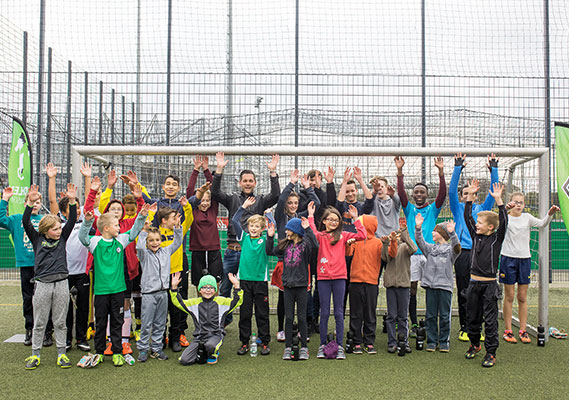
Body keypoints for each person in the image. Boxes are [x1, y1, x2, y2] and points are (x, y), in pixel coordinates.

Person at [211, 151, 280, 326]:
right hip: (232, 252)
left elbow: (276, 195)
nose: (248, 183)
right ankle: (222, 321)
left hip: (251, 254)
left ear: (255, 183)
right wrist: (219, 169)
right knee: (225, 287)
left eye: (251, 181)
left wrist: (273, 172)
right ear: (240, 183)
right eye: (245, 181)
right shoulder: (232, 198)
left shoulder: (261, 200)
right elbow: (216, 193)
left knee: (251, 292)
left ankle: (256, 326)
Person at [78, 200, 150, 367]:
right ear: (106, 228)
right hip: (101, 291)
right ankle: (100, 351)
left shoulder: (122, 240)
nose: (119, 228)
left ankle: (117, 351)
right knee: (101, 321)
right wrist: (87, 222)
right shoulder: (95, 242)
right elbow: (82, 237)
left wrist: (142, 216)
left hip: (118, 290)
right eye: (116, 225)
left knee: (117, 321)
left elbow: (134, 232)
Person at [22, 183, 77, 370]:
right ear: (45, 230)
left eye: (59, 228)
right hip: (43, 285)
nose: (59, 231)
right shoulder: (37, 239)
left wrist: (71, 201)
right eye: (55, 229)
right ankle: (35, 355)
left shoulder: (63, 238)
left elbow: (72, 220)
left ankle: (61, 354)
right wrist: (30, 203)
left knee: (61, 322)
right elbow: (25, 222)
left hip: (61, 284)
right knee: (40, 322)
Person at [449, 152, 499, 341]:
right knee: (465, 291)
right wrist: (457, 167)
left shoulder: (483, 209)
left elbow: (494, 193)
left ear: (477, 195)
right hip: (462, 254)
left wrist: (493, 169)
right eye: (465, 193)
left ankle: (484, 326)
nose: (468, 195)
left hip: (480, 254)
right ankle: (465, 327)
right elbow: (452, 191)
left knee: (484, 291)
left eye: (471, 193)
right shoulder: (457, 207)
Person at [395, 155, 446, 337]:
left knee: (433, 287)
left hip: (430, 253)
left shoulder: (433, 209)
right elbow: (401, 194)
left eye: (421, 192)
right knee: (412, 288)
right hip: (413, 253)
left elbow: (442, 195)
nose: (418, 194)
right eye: (416, 192)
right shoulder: (409, 209)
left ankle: (433, 321)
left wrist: (440, 172)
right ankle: (414, 322)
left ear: (426, 194)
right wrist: (400, 171)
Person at [307, 202, 365, 360]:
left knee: (339, 313)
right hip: (323, 278)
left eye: (336, 220)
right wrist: (311, 216)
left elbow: (362, 235)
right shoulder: (320, 236)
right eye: (330, 219)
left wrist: (356, 219)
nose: (333, 222)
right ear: (324, 221)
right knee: (324, 312)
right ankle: (322, 345)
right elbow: (311, 231)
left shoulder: (344, 235)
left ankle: (339, 346)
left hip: (340, 278)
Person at [500, 191, 559, 344]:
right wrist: (504, 209)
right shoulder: (505, 217)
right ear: (510, 203)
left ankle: (523, 330)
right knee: (509, 296)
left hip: (524, 260)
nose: (518, 205)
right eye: (516, 202)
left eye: (521, 202)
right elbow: (497, 220)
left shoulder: (527, 218)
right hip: (508, 259)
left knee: (522, 297)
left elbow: (542, 223)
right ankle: (508, 330)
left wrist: (550, 214)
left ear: (524, 205)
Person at [47, 162, 92, 352]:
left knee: (83, 308)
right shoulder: (60, 223)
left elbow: (91, 200)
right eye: (74, 207)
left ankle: (81, 338)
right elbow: (52, 203)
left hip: (82, 272)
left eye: (79, 206)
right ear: (65, 211)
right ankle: (66, 339)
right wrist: (51, 179)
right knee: (64, 309)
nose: (79, 209)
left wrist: (88, 178)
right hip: (64, 273)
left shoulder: (84, 222)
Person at [272, 169, 320, 342]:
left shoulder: (301, 218)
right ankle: (281, 329)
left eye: (295, 202)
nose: (292, 205)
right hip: (283, 262)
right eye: (290, 202)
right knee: (283, 298)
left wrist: (308, 188)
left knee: (303, 297)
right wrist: (291, 183)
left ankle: (301, 328)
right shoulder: (280, 217)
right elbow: (280, 200)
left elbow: (317, 203)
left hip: (300, 263)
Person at [463, 180, 507, 368]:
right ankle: (475, 344)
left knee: (490, 321)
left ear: (490, 227)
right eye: (478, 223)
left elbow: (504, 222)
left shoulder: (497, 239)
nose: (477, 224)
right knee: (471, 318)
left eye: (481, 223)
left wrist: (499, 201)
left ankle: (491, 352)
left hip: (489, 286)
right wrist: (470, 197)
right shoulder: (475, 236)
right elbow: (467, 217)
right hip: (473, 285)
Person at [0, 185, 48, 347]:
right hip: (26, 265)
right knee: (28, 298)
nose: (35, 204)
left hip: (42, 266)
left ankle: (47, 330)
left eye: (38, 202)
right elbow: (0, 219)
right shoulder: (16, 219)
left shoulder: (44, 220)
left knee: (44, 298)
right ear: (26, 202)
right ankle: (30, 328)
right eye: (32, 201)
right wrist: (5, 200)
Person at [267, 215, 317, 360]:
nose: (286, 232)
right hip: (287, 287)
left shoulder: (305, 245)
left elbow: (315, 245)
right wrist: (270, 238)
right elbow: (269, 251)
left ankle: (304, 348)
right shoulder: (284, 245)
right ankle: (288, 347)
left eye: (288, 230)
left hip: (301, 286)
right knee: (289, 318)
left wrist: (307, 229)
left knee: (301, 318)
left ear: (295, 231)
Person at [148, 197, 194, 352]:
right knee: (160, 309)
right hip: (160, 277)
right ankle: (160, 338)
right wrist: (150, 214)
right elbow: (146, 230)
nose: (176, 220)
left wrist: (186, 207)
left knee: (176, 308)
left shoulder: (179, 231)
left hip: (176, 275)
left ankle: (175, 338)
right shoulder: (156, 234)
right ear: (163, 221)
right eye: (173, 218)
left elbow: (190, 219)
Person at [348, 214, 397, 355]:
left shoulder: (378, 243)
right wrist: (349, 245)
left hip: (371, 283)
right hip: (355, 282)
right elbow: (348, 253)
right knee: (355, 313)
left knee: (370, 313)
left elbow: (392, 254)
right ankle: (356, 341)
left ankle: (369, 342)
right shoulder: (356, 240)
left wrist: (392, 242)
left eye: (362, 223)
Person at [136, 219, 183, 362]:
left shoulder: (166, 251)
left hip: (163, 293)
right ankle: (143, 348)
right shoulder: (144, 255)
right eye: (151, 241)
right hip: (149, 294)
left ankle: (156, 349)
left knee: (160, 323)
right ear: (147, 242)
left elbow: (177, 242)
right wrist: (144, 232)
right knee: (146, 323)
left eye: (157, 240)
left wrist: (178, 228)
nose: (155, 243)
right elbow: (139, 247)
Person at [172, 272, 243, 365]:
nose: (208, 290)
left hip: (216, 335)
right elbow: (178, 303)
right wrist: (174, 287)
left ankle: (213, 353)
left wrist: (236, 285)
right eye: (204, 287)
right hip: (199, 337)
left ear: (215, 290)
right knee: (184, 361)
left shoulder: (221, 302)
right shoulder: (194, 303)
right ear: (199, 290)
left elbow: (237, 301)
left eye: (211, 287)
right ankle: (202, 349)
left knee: (210, 345)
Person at [415, 215, 461, 352]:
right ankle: (431, 340)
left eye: (435, 231)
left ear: (441, 234)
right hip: (431, 286)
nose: (432, 233)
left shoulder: (450, 250)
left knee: (445, 316)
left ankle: (444, 341)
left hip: (445, 287)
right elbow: (420, 241)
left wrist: (452, 233)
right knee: (430, 315)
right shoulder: (430, 249)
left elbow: (457, 247)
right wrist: (418, 227)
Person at [232, 197, 272, 355]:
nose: (253, 228)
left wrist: (269, 217)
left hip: (260, 282)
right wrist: (243, 206)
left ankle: (265, 341)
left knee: (262, 313)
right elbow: (235, 220)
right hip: (245, 282)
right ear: (248, 227)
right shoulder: (244, 238)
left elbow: (270, 244)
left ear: (262, 228)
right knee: (245, 313)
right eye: (251, 226)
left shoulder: (265, 239)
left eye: (257, 226)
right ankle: (244, 342)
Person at [186, 155, 223, 289]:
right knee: (199, 283)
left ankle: (214, 308)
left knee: (215, 282)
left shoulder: (213, 209)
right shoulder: (193, 210)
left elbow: (214, 189)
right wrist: (195, 170)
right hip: (198, 250)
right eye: (202, 200)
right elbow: (190, 191)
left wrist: (206, 170)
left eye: (207, 200)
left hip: (214, 250)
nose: (205, 203)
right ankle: (201, 308)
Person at [382, 224, 417, 353]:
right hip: (391, 285)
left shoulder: (405, 247)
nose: (396, 237)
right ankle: (391, 342)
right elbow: (385, 257)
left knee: (403, 316)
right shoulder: (391, 247)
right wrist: (386, 243)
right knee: (392, 316)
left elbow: (414, 248)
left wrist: (405, 233)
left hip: (404, 285)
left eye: (397, 235)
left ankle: (404, 341)